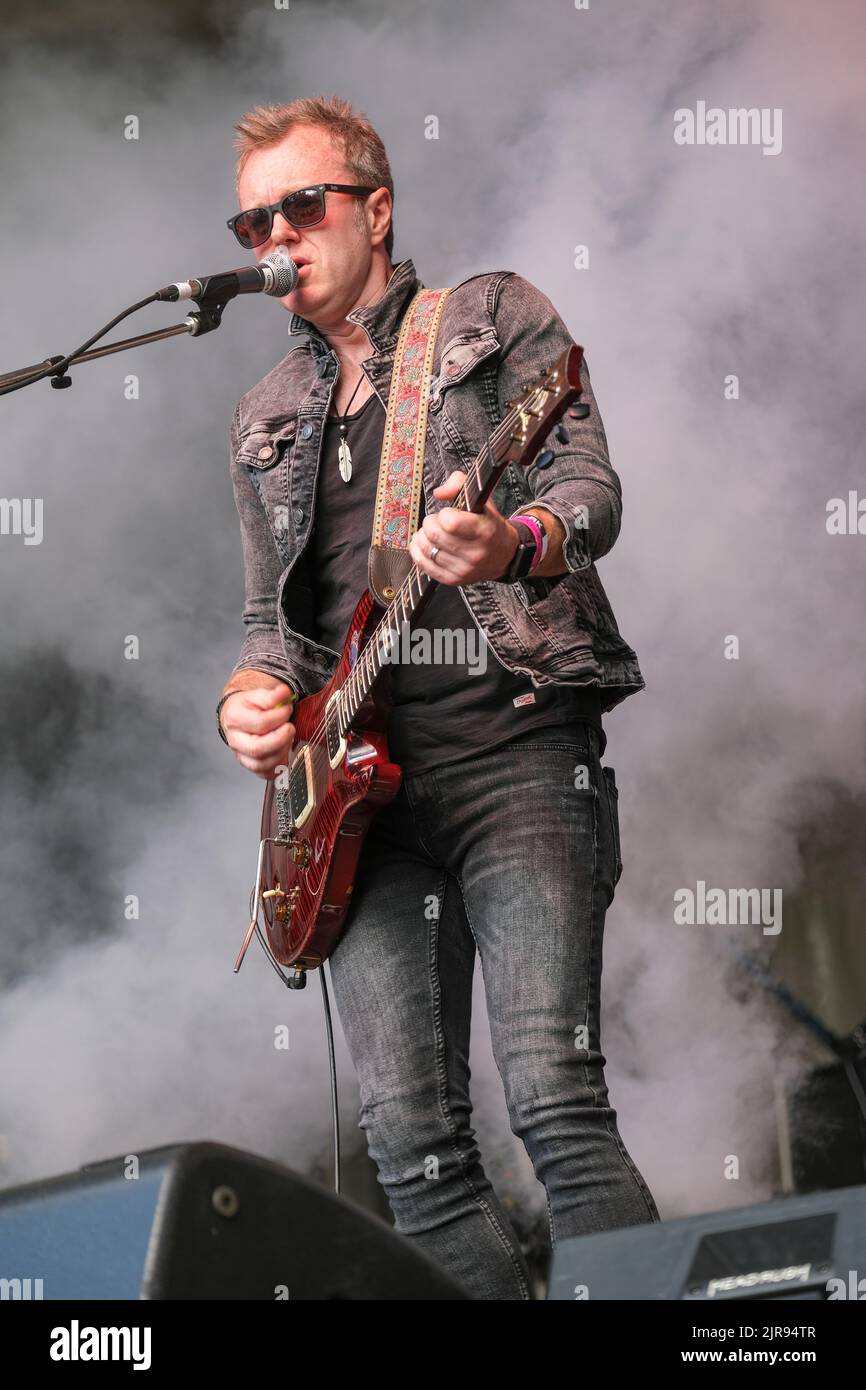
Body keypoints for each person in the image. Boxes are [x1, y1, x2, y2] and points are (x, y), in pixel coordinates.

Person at [216, 96, 659, 1300]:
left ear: (375, 206)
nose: (276, 237)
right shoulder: (262, 416)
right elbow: (278, 629)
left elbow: (589, 491)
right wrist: (251, 696)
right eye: (254, 219)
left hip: (514, 752)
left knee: (553, 1100)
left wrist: (511, 542)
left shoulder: (489, 317)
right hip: (359, 812)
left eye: (300, 207)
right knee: (411, 1150)